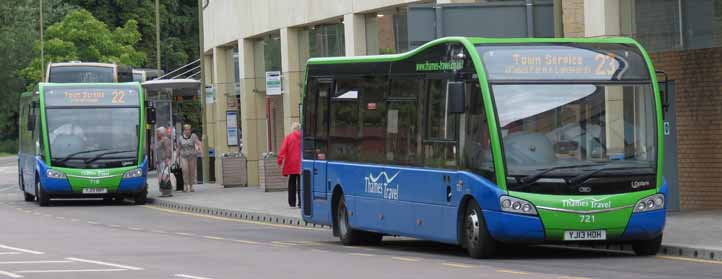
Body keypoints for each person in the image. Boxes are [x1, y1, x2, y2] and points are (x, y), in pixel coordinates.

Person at [277, 122, 302, 208]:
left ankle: (292, 202)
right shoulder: (303, 138)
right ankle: (301, 202)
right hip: (301, 164)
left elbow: (283, 149)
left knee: (292, 182)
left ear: (293, 129)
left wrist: (279, 160)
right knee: (301, 183)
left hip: (291, 163)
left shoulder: (288, 137)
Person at [177, 124, 202, 192]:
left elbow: (198, 143)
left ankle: (191, 186)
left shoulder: (193, 136)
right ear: (184, 130)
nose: (188, 131)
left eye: (189, 129)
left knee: (191, 171)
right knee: (185, 170)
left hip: (192, 156)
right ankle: (185, 185)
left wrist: (199, 148)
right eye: (186, 129)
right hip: (183, 156)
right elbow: (179, 147)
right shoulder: (180, 138)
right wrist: (176, 156)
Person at [154, 127, 173, 196]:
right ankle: (164, 191)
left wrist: (167, 158)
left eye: (157, 132)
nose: (156, 134)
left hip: (164, 160)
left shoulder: (165, 140)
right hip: (160, 161)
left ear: (161, 133)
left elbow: (168, 149)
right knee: (162, 176)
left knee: (165, 176)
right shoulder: (160, 140)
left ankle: (167, 191)